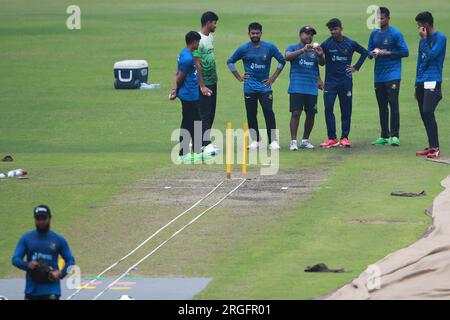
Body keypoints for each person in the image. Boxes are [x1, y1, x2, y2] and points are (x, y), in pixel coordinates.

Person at [227, 22, 286, 150]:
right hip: (249, 87)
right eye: (252, 33)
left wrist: (273, 78)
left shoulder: (269, 47)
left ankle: (273, 141)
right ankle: (256, 141)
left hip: (265, 87)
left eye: (257, 33)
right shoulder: (243, 49)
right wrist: (239, 77)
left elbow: (282, 61)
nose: (255, 35)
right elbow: (230, 62)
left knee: (268, 112)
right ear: (248, 34)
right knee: (251, 113)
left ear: (261, 34)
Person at [319, 18, 368, 148]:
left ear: (341, 28)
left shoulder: (350, 43)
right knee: (328, 108)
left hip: (345, 81)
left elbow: (364, 52)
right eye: (331, 30)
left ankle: (344, 137)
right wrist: (319, 55)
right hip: (330, 82)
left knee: (346, 110)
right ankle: (332, 138)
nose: (333, 32)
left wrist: (356, 67)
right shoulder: (327, 44)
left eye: (335, 29)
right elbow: (321, 62)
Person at [12, 205, 75, 300]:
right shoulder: (26, 238)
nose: (41, 221)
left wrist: (61, 274)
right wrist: (28, 265)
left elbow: (71, 260)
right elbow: (15, 259)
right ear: (34, 219)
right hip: (31, 290)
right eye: (38, 218)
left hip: (51, 290)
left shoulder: (58, 239)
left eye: (44, 218)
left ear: (50, 218)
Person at [368, 7, 409, 146]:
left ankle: (395, 135)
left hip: (393, 74)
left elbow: (405, 52)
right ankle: (384, 135)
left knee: (393, 103)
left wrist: (388, 53)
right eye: (378, 18)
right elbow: (369, 52)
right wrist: (372, 53)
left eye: (382, 18)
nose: (380, 20)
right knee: (382, 106)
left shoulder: (395, 34)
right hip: (378, 75)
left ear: (388, 18)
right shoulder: (374, 34)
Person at [170, 31, 212, 162]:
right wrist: (175, 90)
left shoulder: (185, 54)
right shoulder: (187, 58)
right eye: (198, 42)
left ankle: (198, 151)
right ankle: (183, 154)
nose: (199, 44)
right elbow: (179, 76)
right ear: (193, 42)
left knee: (196, 122)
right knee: (187, 123)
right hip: (188, 96)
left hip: (192, 94)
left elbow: (177, 72)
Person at [285, 25, 325, 151]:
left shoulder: (314, 50)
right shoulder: (293, 47)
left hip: (311, 87)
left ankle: (305, 141)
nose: (309, 36)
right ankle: (293, 142)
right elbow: (287, 57)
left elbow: (321, 64)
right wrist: (303, 50)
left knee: (311, 114)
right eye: (306, 33)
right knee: (296, 113)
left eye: (311, 34)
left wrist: (320, 55)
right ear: (301, 35)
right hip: (297, 87)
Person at [414, 12, 446, 159]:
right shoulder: (422, 41)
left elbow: (433, 56)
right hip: (421, 81)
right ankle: (432, 146)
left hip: (433, 80)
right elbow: (420, 62)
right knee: (424, 114)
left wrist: (425, 39)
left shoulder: (440, 38)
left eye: (419, 24)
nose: (418, 27)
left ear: (426, 24)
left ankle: (436, 148)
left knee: (428, 111)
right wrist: (416, 82)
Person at [193, 11, 220, 156]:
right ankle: (205, 143)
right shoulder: (199, 39)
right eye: (214, 23)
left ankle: (202, 142)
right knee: (204, 112)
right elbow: (197, 64)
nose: (216, 26)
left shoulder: (210, 37)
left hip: (212, 80)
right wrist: (202, 85)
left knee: (211, 112)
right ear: (208, 22)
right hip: (204, 84)